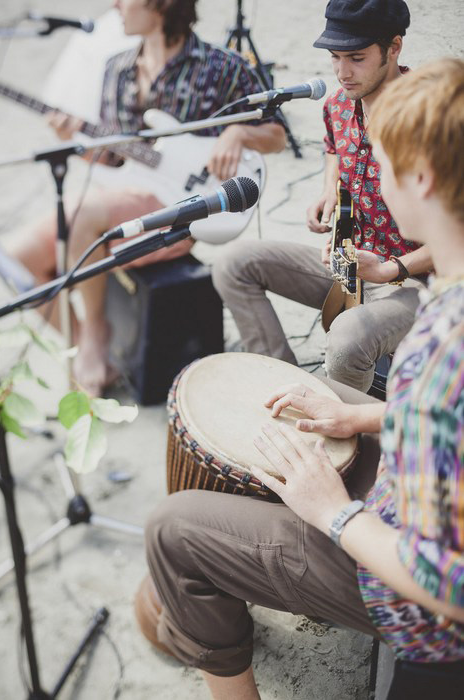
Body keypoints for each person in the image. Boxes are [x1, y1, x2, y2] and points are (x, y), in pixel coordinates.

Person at [135, 58, 464, 699]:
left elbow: (452, 585)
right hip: (408, 481)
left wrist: (334, 514)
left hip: (414, 605)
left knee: (170, 529)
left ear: (421, 177)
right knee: (288, 407)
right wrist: (364, 416)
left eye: (387, 163)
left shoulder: (447, 342)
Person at [4, 0, 285, 396]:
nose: (114, 5)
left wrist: (238, 133)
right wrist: (81, 144)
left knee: (81, 214)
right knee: (15, 258)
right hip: (128, 196)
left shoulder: (223, 66)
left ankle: (96, 337)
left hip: (188, 208)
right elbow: (117, 156)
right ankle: (91, 347)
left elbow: (276, 135)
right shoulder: (116, 67)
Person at [212, 0, 433, 394]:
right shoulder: (337, 104)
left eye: (357, 58)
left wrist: (389, 269)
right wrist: (328, 192)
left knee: (348, 338)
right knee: (233, 262)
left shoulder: (433, 120)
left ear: (394, 47)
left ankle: (350, 443)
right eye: (334, 57)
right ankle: (287, 393)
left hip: (414, 282)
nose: (342, 72)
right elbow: (335, 147)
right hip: (350, 267)